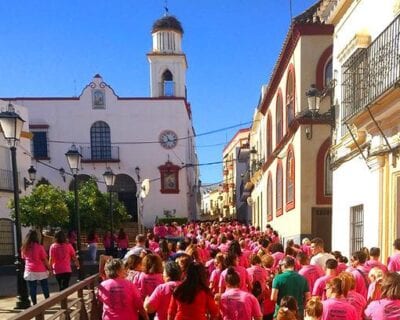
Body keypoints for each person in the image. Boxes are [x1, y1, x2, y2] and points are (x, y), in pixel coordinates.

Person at [21, 230, 51, 305]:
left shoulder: (24, 247)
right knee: (44, 286)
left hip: (30, 270)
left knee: (32, 288)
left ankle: (34, 303)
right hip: (40, 269)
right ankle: (48, 301)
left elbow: (23, 258)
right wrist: (49, 268)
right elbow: (44, 259)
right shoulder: (39, 247)